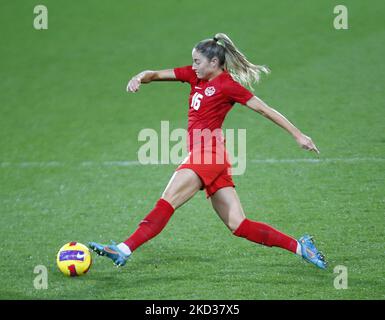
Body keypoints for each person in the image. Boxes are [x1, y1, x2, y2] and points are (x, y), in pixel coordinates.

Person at [89, 33, 327, 270]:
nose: (193, 66)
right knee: (238, 224)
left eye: (197, 61)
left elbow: (265, 110)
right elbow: (156, 75)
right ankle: (300, 246)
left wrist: (298, 134)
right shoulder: (195, 77)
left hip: (208, 153)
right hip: (214, 158)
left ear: (214, 63)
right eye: (193, 61)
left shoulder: (227, 86)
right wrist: (139, 77)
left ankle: (123, 248)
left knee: (167, 201)